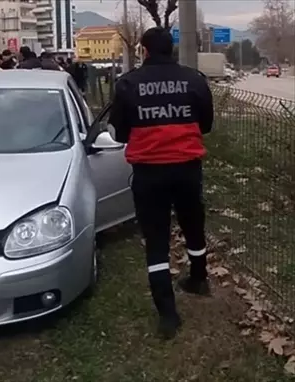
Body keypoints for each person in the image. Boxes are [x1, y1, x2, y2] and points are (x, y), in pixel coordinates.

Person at [108, 27, 214, 339]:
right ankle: (198, 278)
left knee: (156, 239)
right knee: (193, 225)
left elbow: (119, 134)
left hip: (149, 173)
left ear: (143, 50)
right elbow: (205, 125)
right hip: (187, 168)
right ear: (172, 49)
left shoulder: (127, 83)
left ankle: (168, 314)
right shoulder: (195, 79)